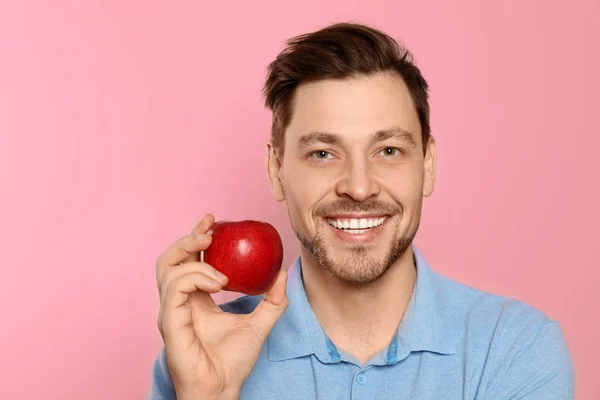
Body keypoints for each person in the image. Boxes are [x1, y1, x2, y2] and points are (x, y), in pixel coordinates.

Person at [147, 22, 574, 400]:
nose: (358, 186)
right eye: (323, 153)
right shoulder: (200, 354)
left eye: (388, 150)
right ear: (277, 170)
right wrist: (210, 395)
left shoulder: (515, 347)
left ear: (427, 166)